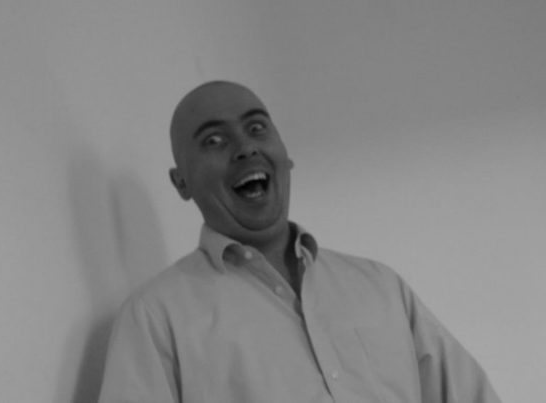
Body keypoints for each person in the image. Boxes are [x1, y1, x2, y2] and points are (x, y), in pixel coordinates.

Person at [98, 80, 502, 403]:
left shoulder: (381, 287)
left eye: (257, 128)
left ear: (285, 154)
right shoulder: (155, 317)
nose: (245, 147)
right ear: (181, 183)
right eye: (214, 141)